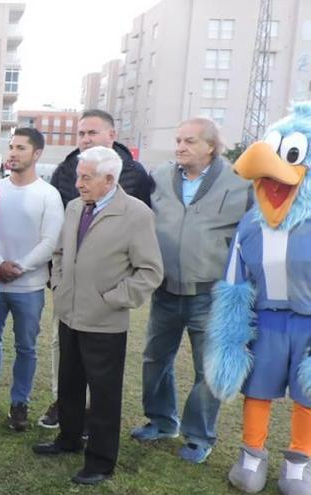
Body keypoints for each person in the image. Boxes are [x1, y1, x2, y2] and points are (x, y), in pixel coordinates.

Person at [33, 146, 162, 486]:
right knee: (70, 384)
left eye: (85, 177)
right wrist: (59, 284)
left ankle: (101, 461)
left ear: (109, 179)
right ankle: (69, 439)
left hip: (105, 322)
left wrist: (113, 299)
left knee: (104, 395)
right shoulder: (75, 208)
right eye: (78, 176)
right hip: (69, 315)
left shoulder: (136, 215)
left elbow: (150, 271)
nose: (78, 183)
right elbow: (60, 252)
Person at [130, 118, 252, 463]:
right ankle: (161, 420)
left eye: (190, 141)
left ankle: (199, 437)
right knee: (155, 360)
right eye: (178, 139)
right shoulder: (160, 177)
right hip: (165, 289)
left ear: (211, 146)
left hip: (210, 293)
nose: (180, 147)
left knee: (206, 369)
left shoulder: (240, 182)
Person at [39, 108, 153, 429]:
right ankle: (66, 410)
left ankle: (94, 425)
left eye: (93, 132)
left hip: (105, 301)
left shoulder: (133, 177)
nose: (85, 139)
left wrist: (116, 296)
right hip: (70, 294)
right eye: (81, 133)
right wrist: (59, 283)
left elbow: (143, 254)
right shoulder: (67, 172)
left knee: (101, 371)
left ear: (111, 135)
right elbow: (63, 235)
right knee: (66, 359)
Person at [0, 127, 63, 431]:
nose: (13, 153)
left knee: (25, 347)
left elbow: (49, 241)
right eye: (12, 147)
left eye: (21, 148)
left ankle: (19, 402)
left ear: (37, 154)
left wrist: (20, 267)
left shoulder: (49, 194)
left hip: (28, 287)